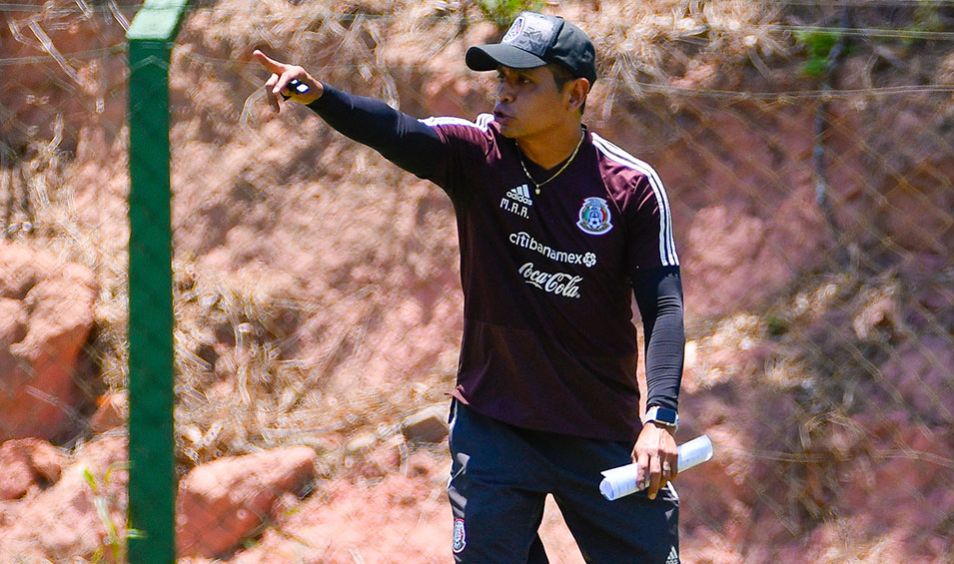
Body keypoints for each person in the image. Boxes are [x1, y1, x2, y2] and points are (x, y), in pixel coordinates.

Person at [255, 11, 685, 563]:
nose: (504, 94)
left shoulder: (630, 188)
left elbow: (665, 306)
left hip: (599, 428)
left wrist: (660, 420)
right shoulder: (477, 155)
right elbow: (396, 130)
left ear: (576, 93)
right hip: (494, 424)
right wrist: (321, 96)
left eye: (524, 83)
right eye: (501, 80)